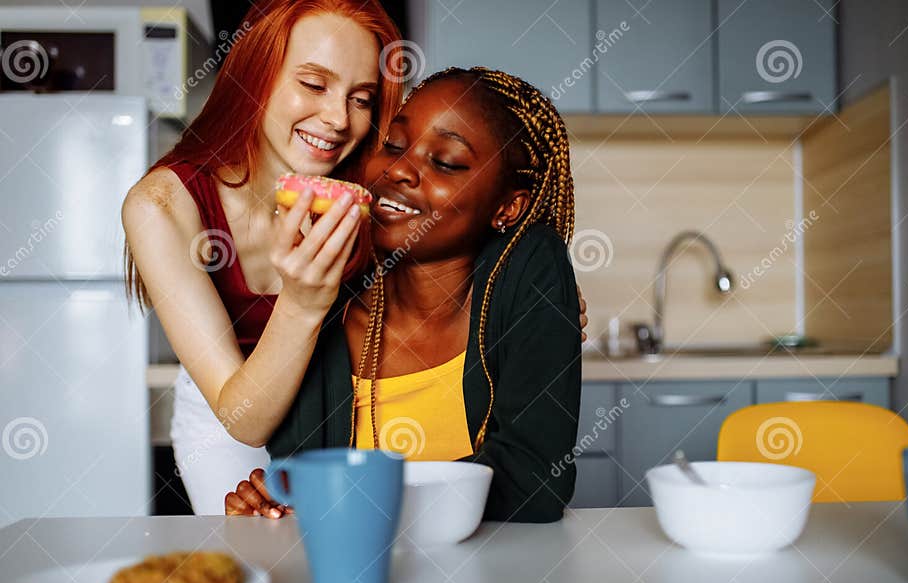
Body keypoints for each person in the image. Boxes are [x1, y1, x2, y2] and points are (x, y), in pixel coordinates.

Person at [225, 67, 583, 523]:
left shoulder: (528, 270)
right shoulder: (322, 301)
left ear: (507, 206)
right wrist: (272, 500)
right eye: (393, 146)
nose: (397, 169)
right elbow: (298, 478)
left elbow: (536, 482)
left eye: (446, 161)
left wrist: (346, 492)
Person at [122, 0, 406, 514]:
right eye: (314, 85)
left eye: (361, 98)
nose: (339, 120)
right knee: (265, 575)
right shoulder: (162, 205)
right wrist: (302, 303)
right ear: (256, 76)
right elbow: (243, 418)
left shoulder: (368, 187)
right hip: (227, 420)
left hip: (338, 410)